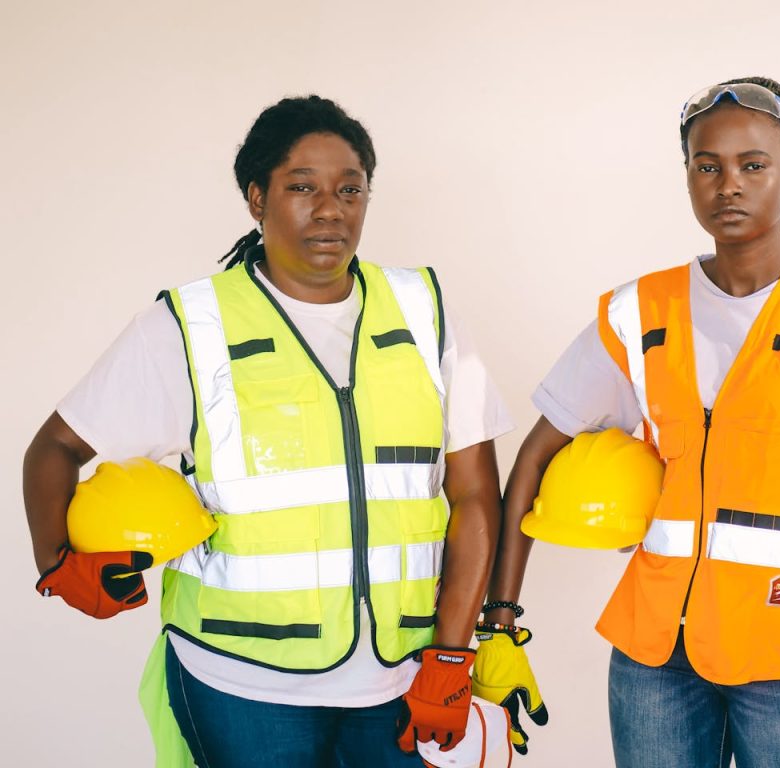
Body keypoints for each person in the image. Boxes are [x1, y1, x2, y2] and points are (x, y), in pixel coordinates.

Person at [483, 77, 780, 767]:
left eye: (753, 165)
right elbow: (533, 457)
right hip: (656, 659)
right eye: (707, 166)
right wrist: (499, 625)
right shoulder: (637, 313)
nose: (727, 184)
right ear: (687, 176)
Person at [24, 95, 513, 768]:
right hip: (238, 680)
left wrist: (454, 654)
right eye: (301, 188)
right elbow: (55, 448)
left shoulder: (425, 311)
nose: (330, 209)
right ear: (257, 199)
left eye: (350, 189)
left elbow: (476, 496)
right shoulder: (191, 326)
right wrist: (55, 561)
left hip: (399, 677)